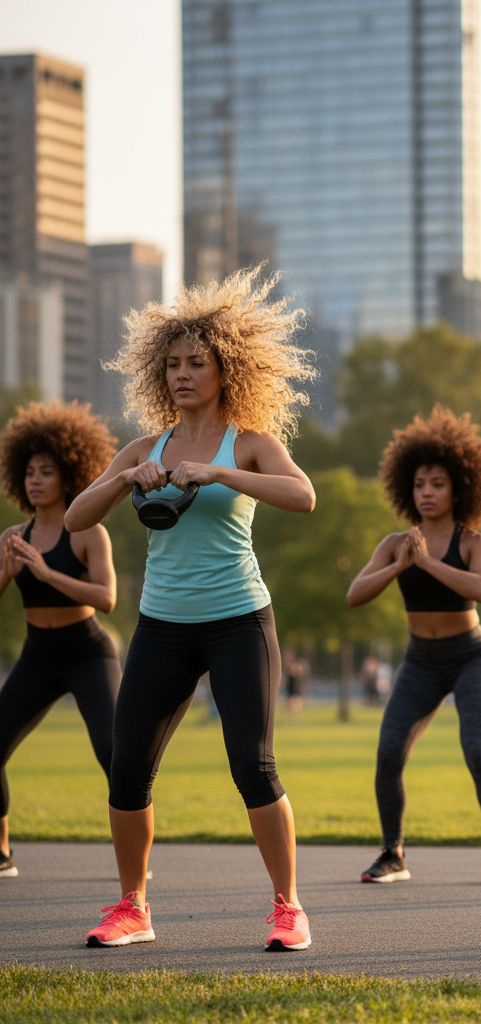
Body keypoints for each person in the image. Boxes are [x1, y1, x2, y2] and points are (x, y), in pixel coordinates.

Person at [65, 266, 317, 950]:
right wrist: (124, 478)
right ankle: (132, 906)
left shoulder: (251, 442)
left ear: (226, 368)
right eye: (172, 363)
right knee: (126, 766)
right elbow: (75, 515)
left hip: (239, 622)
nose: (182, 374)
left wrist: (220, 473)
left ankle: (288, 907)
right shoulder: (147, 448)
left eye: (196, 362)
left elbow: (303, 497)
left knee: (252, 765)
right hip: (162, 628)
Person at [347, 406, 481, 885]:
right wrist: (400, 565)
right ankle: (392, 854)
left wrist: (426, 563)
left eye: (437, 484)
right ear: (407, 489)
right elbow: (355, 595)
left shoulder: (473, 541)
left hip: (471, 656)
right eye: (420, 484)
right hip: (420, 660)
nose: (427, 492)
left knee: (478, 751)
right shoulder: (395, 544)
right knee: (388, 752)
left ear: (459, 488)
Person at [0, 400, 119, 880]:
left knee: (115, 752)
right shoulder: (14, 535)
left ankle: (133, 857)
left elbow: (107, 597)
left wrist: (47, 573)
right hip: (38, 654)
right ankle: (2, 850)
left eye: (46, 471)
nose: (35, 480)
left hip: (88, 651)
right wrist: (7, 575)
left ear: (68, 475)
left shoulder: (89, 531)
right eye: (29, 471)